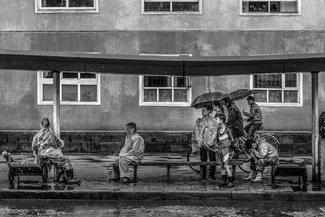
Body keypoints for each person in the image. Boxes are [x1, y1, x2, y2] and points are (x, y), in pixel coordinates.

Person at [31, 118, 72, 182]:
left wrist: (37, 153)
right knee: (65, 161)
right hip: (51, 154)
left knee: (57, 160)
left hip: (41, 154)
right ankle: (68, 178)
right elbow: (61, 144)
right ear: (49, 125)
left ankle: (61, 176)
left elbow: (34, 147)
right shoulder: (52, 134)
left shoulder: (37, 135)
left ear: (41, 125)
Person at [191, 105, 218, 180]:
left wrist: (211, 142)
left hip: (211, 143)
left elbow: (215, 132)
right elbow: (196, 131)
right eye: (202, 110)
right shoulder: (199, 121)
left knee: (212, 159)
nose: (202, 112)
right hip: (202, 142)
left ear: (209, 111)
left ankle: (212, 175)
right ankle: (203, 175)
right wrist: (199, 140)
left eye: (204, 110)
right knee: (203, 159)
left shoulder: (214, 121)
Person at [215, 113, 235, 188]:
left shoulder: (227, 129)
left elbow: (232, 138)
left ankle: (230, 182)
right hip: (220, 149)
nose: (215, 121)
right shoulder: (218, 129)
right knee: (222, 166)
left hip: (226, 149)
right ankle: (224, 181)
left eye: (216, 119)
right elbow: (217, 139)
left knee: (226, 166)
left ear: (222, 120)